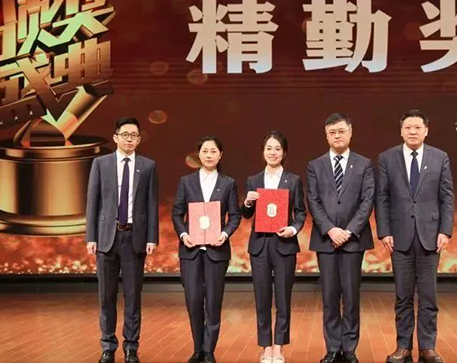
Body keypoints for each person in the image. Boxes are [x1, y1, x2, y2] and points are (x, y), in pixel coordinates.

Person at [375, 109, 455, 363]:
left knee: (429, 296)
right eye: (408, 127)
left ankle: (428, 347)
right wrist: (384, 231)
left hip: (430, 237)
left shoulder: (440, 157)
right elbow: (382, 197)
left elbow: (447, 197)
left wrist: (445, 230)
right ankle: (403, 347)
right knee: (403, 297)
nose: (412, 131)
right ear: (401, 131)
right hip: (399, 238)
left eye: (417, 127)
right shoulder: (387, 158)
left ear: (426, 131)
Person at [86, 116, 159, 363]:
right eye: (125, 134)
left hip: (134, 238)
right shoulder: (101, 163)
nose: (129, 139)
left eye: (134, 135)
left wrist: (152, 237)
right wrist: (91, 236)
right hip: (107, 237)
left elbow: (151, 204)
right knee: (106, 296)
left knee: (133, 296)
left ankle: (131, 347)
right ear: (115, 137)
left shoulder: (148, 166)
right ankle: (108, 346)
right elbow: (92, 202)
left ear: (139, 140)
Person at [306, 113, 375, 363]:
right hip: (326, 240)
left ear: (350, 132)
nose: (337, 136)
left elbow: (368, 200)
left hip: (353, 240)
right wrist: (330, 230)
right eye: (332, 132)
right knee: (329, 296)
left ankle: (350, 349)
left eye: (341, 131)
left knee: (351, 296)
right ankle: (333, 347)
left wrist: (348, 231)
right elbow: (313, 200)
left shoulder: (364, 164)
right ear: (326, 135)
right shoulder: (315, 165)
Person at [172, 136, 241, 363]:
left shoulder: (228, 183)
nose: (209, 155)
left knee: (213, 301)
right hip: (190, 250)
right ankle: (197, 349)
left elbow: (235, 216)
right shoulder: (186, 182)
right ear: (198, 154)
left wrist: (224, 234)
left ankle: (209, 350)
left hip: (216, 251)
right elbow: (177, 213)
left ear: (220, 155)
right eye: (205, 151)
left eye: (213, 151)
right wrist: (184, 235)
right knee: (193, 299)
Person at [240, 131, 307, 363]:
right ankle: (265, 347)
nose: (273, 152)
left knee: (283, 299)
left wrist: (293, 229)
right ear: (263, 152)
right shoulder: (253, 180)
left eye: (277, 148)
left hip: (284, 244)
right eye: (269, 148)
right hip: (259, 245)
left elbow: (300, 213)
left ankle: (279, 346)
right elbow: (246, 214)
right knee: (262, 298)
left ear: (284, 153)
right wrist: (247, 202)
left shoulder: (293, 180)